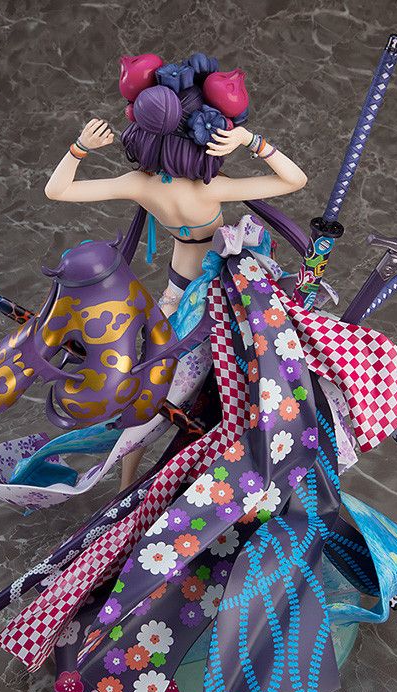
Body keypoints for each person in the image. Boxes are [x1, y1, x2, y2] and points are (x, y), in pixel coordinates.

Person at [43, 55, 307, 486]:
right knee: (241, 382)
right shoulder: (211, 188)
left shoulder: (140, 185)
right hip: (224, 296)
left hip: (178, 288)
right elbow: (295, 180)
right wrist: (251, 141)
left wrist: (81, 147)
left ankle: (127, 481)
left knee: (149, 385)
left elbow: (57, 190)